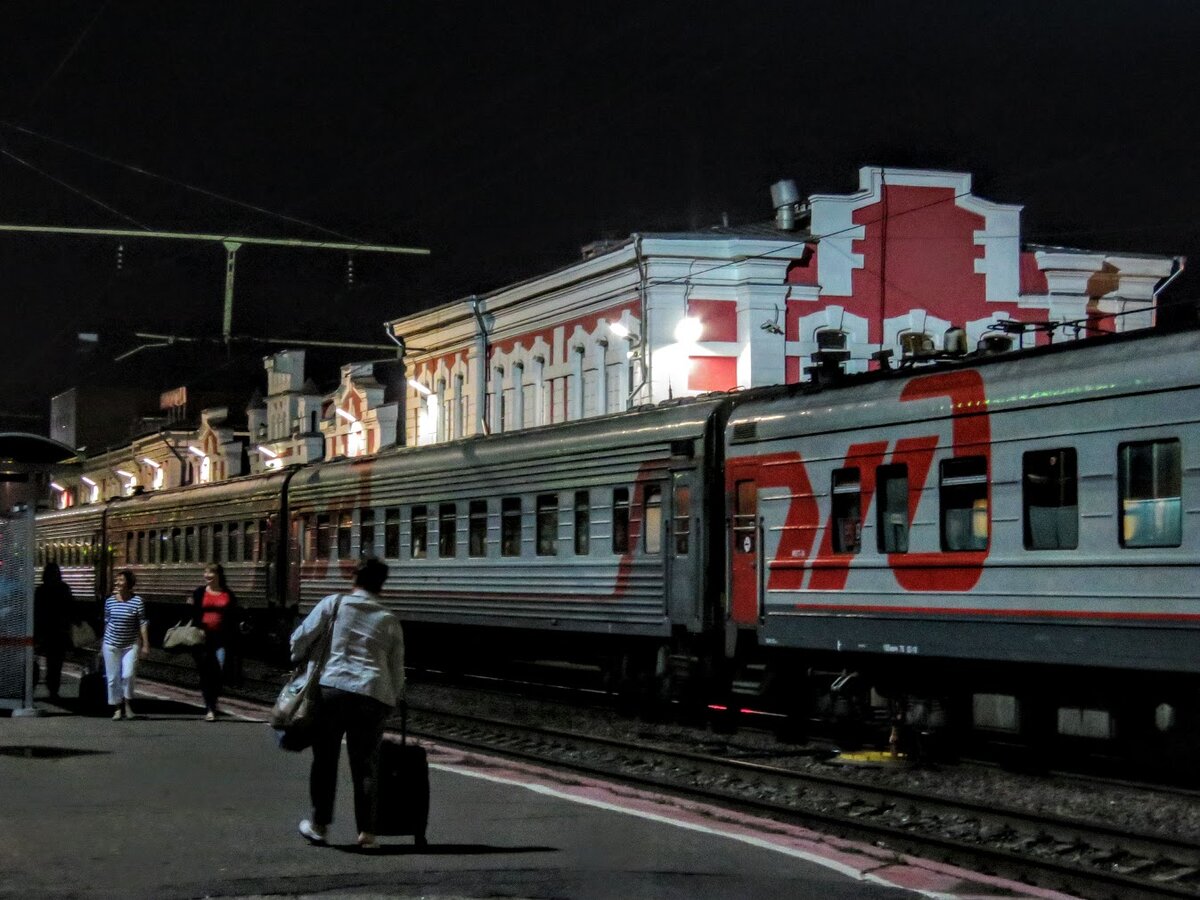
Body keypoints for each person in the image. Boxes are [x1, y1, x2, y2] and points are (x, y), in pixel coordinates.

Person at [291, 557, 405, 850]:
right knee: (366, 766)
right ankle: (367, 834)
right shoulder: (389, 619)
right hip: (373, 693)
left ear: (354, 579)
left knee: (325, 760)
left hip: (334, 691)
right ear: (382, 584)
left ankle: (319, 826)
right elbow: (397, 669)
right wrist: (391, 700)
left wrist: (297, 657)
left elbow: (300, 638)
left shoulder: (335, 604)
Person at [191, 563, 238, 721]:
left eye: (211, 573)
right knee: (205, 673)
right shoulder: (199, 593)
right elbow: (194, 614)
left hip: (221, 638)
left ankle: (213, 701)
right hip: (203, 638)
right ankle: (210, 708)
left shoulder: (228, 594)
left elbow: (233, 616)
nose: (207, 576)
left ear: (218, 575)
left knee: (219, 671)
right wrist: (199, 628)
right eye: (206, 572)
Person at [102, 569, 150, 720]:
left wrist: (145, 644)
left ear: (129, 583)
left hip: (130, 644)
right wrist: (102, 643)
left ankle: (128, 704)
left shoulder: (137, 601)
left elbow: (142, 623)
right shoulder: (109, 601)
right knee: (113, 678)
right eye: (117, 580)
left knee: (128, 674)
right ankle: (117, 708)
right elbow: (107, 622)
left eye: (121, 580)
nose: (118, 583)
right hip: (111, 644)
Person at [33, 562, 74, 700]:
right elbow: (71, 608)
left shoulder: (40, 590)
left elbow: (36, 611)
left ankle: (35, 686)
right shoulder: (64, 589)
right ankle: (53, 689)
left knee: (38, 660)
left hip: (44, 630)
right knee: (56, 663)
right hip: (59, 630)